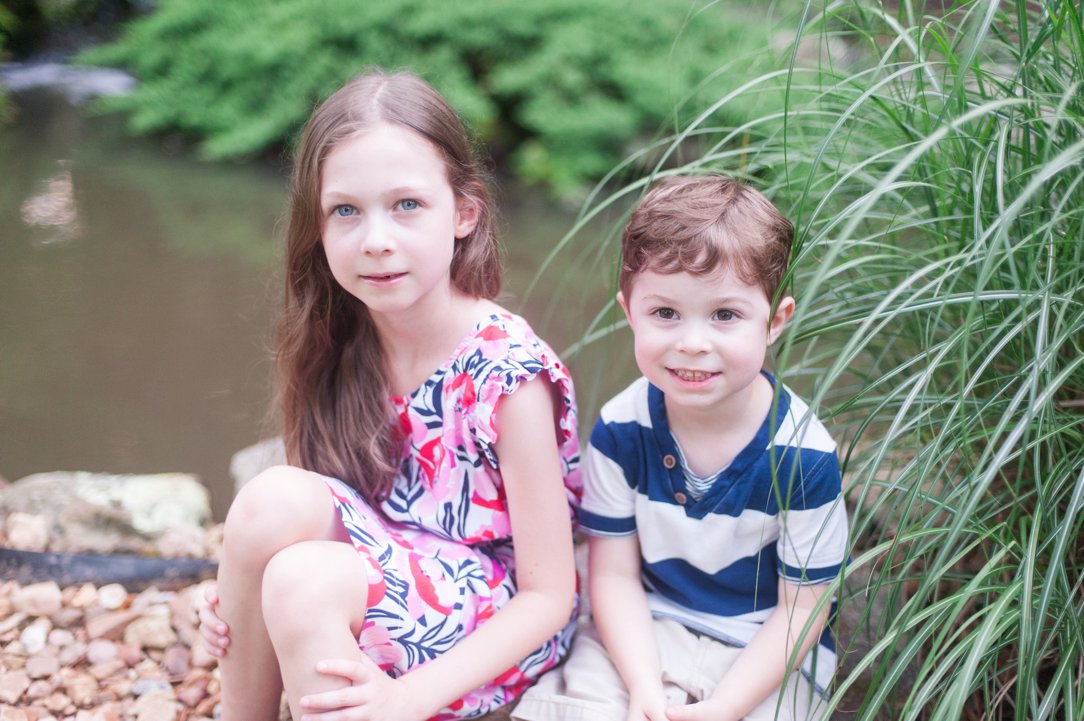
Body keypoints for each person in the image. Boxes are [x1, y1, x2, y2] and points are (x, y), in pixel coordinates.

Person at [197, 69, 582, 721]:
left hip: (495, 614)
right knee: (266, 503)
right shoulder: (338, 335)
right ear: (315, 228)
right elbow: (319, 507)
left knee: (300, 582)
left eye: (407, 205)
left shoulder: (507, 372)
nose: (376, 239)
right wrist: (237, 590)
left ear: (464, 213)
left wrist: (409, 696)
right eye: (346, 210)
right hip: (389, 568)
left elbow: (549, 595)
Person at [513, 175, 849, 721]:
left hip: (762, 646)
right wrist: (644, 686)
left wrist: (723, 707)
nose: (693, 342)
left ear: (776, 321)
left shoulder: (803, 457)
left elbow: (802, 611)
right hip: (644, 625)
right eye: (665, 313)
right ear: (629, 312)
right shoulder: (623, 428)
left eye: (725, 315)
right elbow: (614, 575)